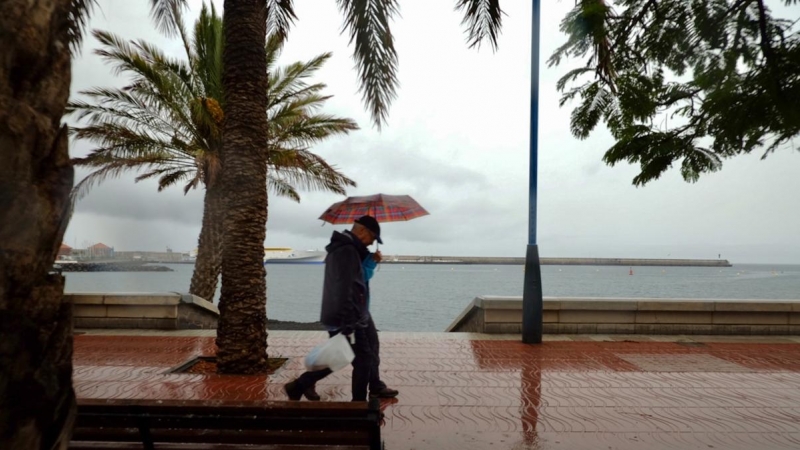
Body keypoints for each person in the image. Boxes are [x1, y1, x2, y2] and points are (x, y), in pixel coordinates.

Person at [284, 215, 383, 401]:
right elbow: (345, 288)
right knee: (360, 359)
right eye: (372, 237)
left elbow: (354, 284)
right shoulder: (347, 251)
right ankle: (358, 404)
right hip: (346, 317)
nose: (371, 243)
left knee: (346, 356)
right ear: (362, 231)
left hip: (346, 315)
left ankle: (299, 386)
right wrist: (348, 323)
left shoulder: (347, 249)